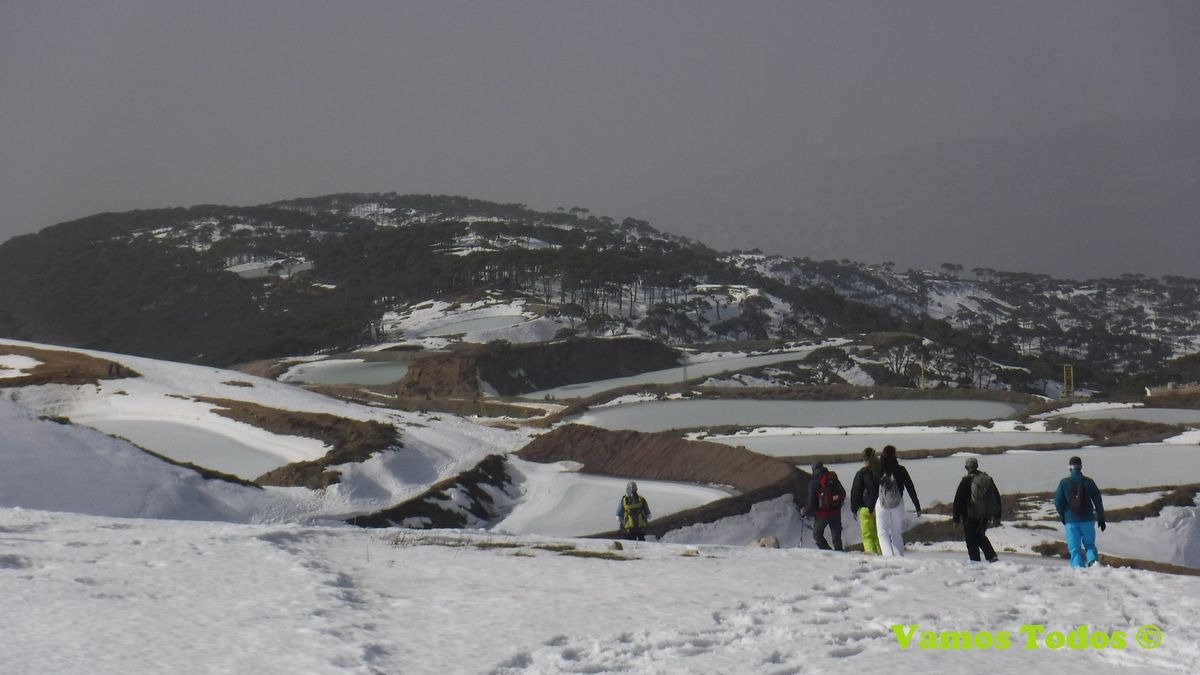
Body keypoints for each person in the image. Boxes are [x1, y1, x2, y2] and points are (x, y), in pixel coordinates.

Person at [1054, 456, 1105, 568]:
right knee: (1090, 545)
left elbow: (1057, 502)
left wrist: (1063, 516)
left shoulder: (1064, 483)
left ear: (1070, 468)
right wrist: (1101, 518)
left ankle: (1078, 568)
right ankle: (1093, 564)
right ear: (1081, 467)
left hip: (1071, 521)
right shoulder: (1089, 482)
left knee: (1075, 549)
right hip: (1087, 520)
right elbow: (1098, 500)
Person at [875, 445, 921, 557]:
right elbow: (910, 487)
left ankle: (888, 555)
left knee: (882, 531)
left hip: (881, 504)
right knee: (896, 532)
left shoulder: (878, 470)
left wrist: (870, 506)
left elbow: (872, 488)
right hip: (898, 503)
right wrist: (917, 505)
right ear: (894, 455)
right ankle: (899, 555)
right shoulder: (901, 470)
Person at [952, 457, 1001, 562]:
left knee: (971, 540)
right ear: (977, 466)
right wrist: (997, 515)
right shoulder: (987, 479)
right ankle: (992, 557)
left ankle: (975, 563)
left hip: (970, 515)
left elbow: (958, 500)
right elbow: (996, 497)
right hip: (985, 515)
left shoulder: (966, 481)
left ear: (966, 467)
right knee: (980, 535)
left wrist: (956, 519)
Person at [801, 462, 845, 551]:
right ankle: (840, 553)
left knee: (817, 534)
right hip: (835, 511)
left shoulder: (813, 482)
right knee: (836, 536)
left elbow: (811, 504)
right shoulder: (832, 476)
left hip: (822, 515)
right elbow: (843, 493)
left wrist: (804, 512)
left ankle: (828, 551)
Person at [850, 447, 883, 555]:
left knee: (868, 536)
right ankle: (882, 554)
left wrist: (854, 509)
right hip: (881, 508)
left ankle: (871, 556)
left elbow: (856, 492)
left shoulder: (861, 474)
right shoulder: (881, 471)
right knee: (880, 534)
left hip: (865, 509)